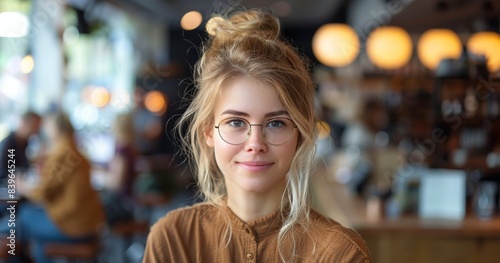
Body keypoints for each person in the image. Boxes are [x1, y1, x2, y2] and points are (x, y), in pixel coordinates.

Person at [144, 9, 371, 262]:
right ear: (208, 131)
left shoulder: (340, 253)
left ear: (300, 134)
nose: (255, 144)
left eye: (275, 123)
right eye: (236, 122)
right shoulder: (172, 240)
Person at [13, 111, 105, 263]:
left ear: (55, 128)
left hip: (74, 226)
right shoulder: (74, 149)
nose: (43, 128)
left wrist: (22, 187)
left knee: (24, 216)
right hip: (89, 222)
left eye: (47, 125)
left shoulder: (62, 152)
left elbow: (40, 194)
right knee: (40, 243)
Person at [0, 111, 41, 183]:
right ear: (24, 123)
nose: (36, 130)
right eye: (34, 126)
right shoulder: (9, 144)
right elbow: (5, 174)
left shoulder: (25, 142)